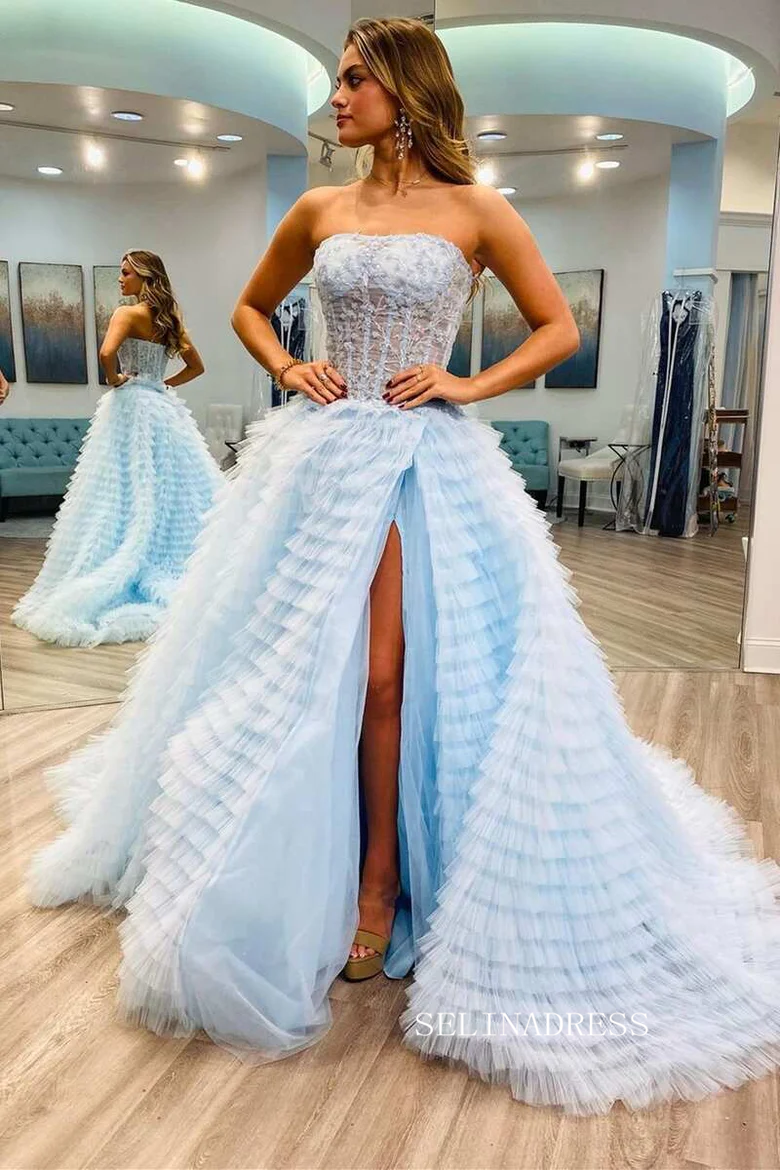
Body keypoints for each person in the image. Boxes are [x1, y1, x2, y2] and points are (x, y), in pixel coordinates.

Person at [25, 19, 780, 1114]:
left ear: (405, 90)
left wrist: (468, 384)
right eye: (336, 79)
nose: (336, 98)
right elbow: (248, 307)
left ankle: (384, 880)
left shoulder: (477, 209)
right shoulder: (319, 209)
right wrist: (291, 364)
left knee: (398, 678)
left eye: (353, 80)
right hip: (322, 458)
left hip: (427, 459)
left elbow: (555, 327)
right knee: (306, 672)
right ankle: (320, 867)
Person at [12, 250, 222, 646]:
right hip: (161, 409)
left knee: (122, 484)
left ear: (144, 276)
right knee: (166, 486)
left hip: (130, 406)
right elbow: (197, 367)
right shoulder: (170, 319)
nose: (120, 279)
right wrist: (163, 385)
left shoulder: (126, 314)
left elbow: (107, 353)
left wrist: (116, 380)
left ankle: (124, 552)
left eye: (126, 273)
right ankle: (165, 554)